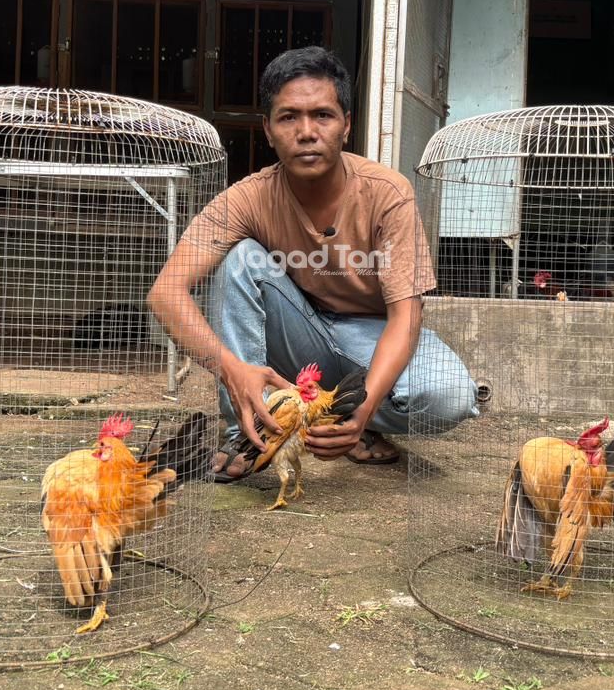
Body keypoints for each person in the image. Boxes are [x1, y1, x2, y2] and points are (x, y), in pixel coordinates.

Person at [147, 46, 477, 479]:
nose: (306, 132)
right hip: (299, 333)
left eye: (322, 115)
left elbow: (406, 317)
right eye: (288, 117)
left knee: (448, 398)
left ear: (346, 125)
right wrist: (232, 369)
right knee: (241, 259)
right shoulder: (247, 199)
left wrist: (362, 409)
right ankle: (246, 432)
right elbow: (165, 293)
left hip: (371, 336)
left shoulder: (386, 193)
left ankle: (342, 422)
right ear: (268, 130)